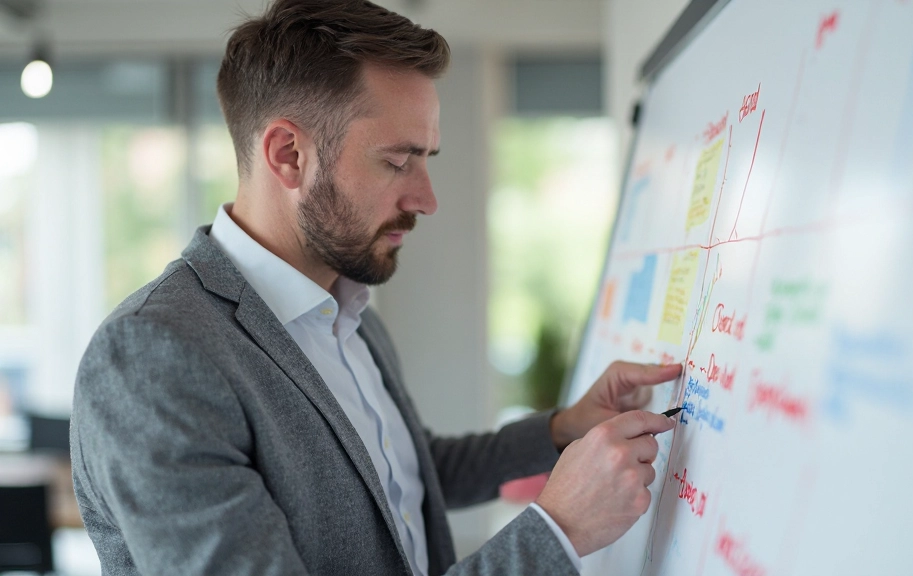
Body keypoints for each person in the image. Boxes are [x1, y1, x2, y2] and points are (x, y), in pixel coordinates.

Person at [69, 1, 683, 574]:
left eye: (427, 159)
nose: (426, 198)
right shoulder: (152, 357)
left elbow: (400, 473)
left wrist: (561, 430)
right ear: (288, 155)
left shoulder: (346, 306)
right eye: (397, 160)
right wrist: (557, 530)